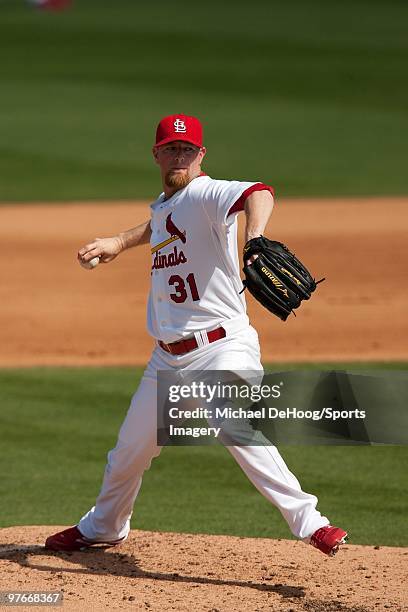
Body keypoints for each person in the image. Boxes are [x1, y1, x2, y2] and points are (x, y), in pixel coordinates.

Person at [45, 114, 347, 556]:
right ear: (156, 154)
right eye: (171, 148)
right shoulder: (170, 202)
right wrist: (117, 241)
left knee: (234, 424)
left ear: (201, 155)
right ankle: (105, 527)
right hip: (167, 360)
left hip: (222, 347)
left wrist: (255, 237)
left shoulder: (206, 192)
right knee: (129, 451)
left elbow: (257, 191)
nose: (179, 156)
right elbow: (158, 223)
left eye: (187, 150)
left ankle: (312, 523)